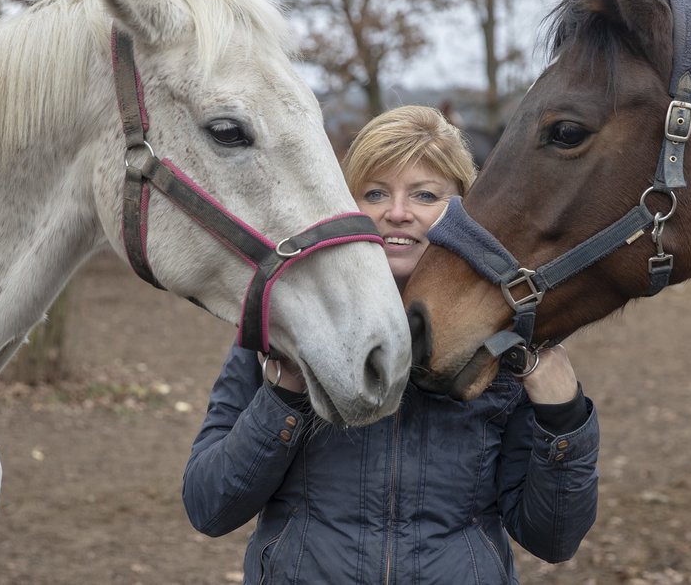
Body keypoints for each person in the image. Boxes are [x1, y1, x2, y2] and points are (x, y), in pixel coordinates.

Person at [182, 105, 599, 584]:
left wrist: (563, 419)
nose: (398, 213)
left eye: (425, 195)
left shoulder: (503, 343)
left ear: (465, 212)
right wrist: (284, 392)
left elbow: (553, 539)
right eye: (375, 193)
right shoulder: (284, 331)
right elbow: (209, 507)